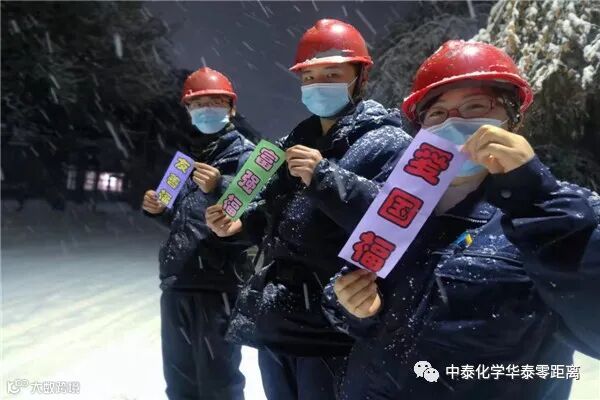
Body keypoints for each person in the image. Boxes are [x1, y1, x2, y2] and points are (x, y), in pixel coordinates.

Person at [324, 40, 600, 399]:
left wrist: (535, 198)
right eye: (437, 114)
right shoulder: (397, 205)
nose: (454, 123)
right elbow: (347, 291)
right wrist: (355, 308)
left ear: (513, 118)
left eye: (475, 107)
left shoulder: (561, 212)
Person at [205, 19, 412, 400]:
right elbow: (276, 213)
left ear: (360, 77)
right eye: (309, 77)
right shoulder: (292, 142)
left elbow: (397, 220)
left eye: (332, 74)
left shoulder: (389, 143)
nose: (318, 85)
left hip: (337, 328)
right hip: (280, 322)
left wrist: (325, 177)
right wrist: (240, 225)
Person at [142, 67, 256, 400]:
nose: (206, 109)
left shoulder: (250, 156)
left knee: (219, 381)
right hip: (177, 282)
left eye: (215, 102)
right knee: (179, 379)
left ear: (231, 108)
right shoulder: (185, 160)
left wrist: (220, 184)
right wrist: (159, 209)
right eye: (198, 103)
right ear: (188, 110)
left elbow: (255, 218)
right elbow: (183, 220)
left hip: (218, 287)